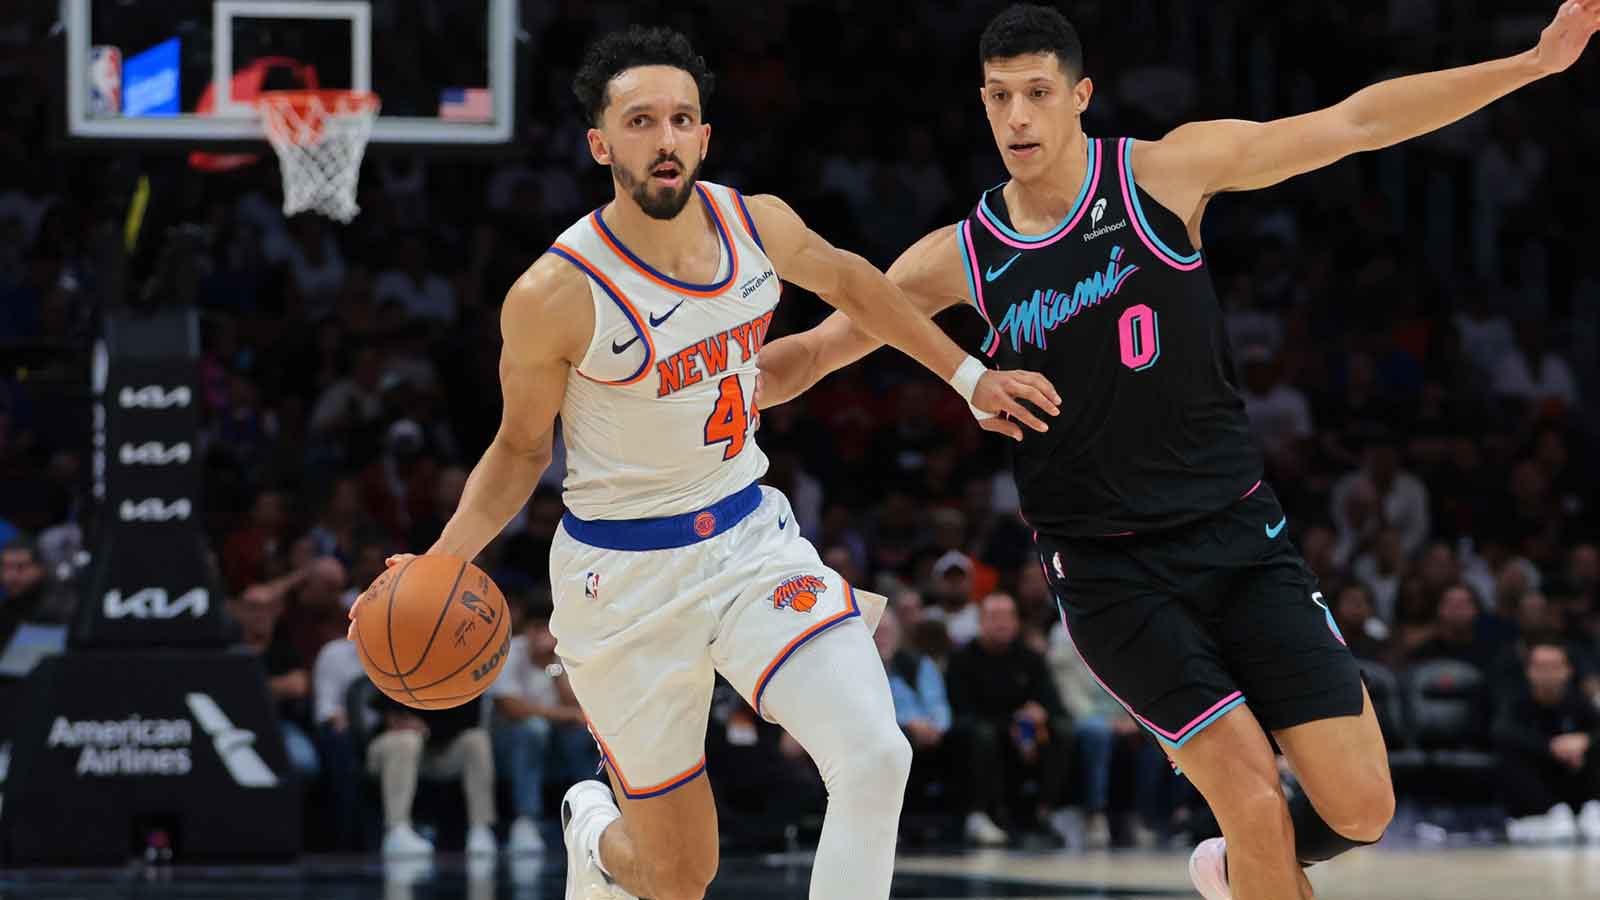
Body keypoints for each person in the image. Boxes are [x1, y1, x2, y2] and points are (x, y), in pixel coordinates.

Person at [757, 4, 1600, 897]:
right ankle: (1249, 848)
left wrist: (1532, 66)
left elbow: (1355, 123)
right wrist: (718, 371)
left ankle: (1233, 871)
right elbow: (817, 350)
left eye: (1038, 93)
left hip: (1239, 536)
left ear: (1080, 96)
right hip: (1110, 572)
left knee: (1361, 810)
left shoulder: (1160, 175)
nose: (1018, 117)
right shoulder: (963, 255)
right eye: (1000, 97)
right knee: (1250, 794)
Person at [348, 25, 1058, 900]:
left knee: (877, 756)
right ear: (601, 144)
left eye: (683, 119)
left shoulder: (756, 222)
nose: (667, 138)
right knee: (681, 876)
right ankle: (595, 834)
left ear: (705, 137)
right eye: (641, 121)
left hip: (748, 541)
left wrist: (967, 374)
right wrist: (442, 561)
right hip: (622, 582)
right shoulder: (554, 294)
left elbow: (857, 284)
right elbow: (520, 447)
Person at [945, 592, 1070, 844]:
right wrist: (1012, 722)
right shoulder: (961, 660)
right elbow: (962, 711)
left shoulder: (1031, 659)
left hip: (1025, 731)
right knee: (982, 733)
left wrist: (1038, 714)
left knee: (1063, 730)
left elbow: (1053, 705)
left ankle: (1045, 811)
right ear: (980, 622)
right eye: (994, 617)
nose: (1002, 623)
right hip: (980, 731)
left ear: (1017, 622)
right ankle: (981, 814)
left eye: (1008, 616)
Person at [490, 593, 597, 855]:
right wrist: (565, 716)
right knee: (533, 729)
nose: (543, 635)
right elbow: (512, 709)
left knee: (584, 734)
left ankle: (591, 813)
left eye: (548, 627)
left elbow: (579, 708)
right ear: (525, 630)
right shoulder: (508, 653)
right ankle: (526, 820)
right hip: (510, 743)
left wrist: (554, 665)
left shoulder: (564, 655)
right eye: (536, 628)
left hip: (556, 745)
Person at [365, 693, 497, 858]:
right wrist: (407, 723)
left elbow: (469, 721)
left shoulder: (464, 675)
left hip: (436, 748)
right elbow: (388, 713)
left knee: (477, 740)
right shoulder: (403, 668)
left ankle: (481, 829)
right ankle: (396, 830)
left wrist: (428, 728)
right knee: (407, 740)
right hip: (389, 747)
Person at [1494, 640, 1600, 843]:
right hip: (1538, 792)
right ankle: (1544, 816)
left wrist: (1584, 741)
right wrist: (1550, 747)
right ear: (1529, 671)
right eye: (1541, 667)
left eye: (1554, 667)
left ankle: (1594, 810)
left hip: (1576, 783)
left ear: (1567, 670)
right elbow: (1502, 732)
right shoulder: (1516, 704)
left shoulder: (1579, 703)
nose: (1548, 674)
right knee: (1510, 754)